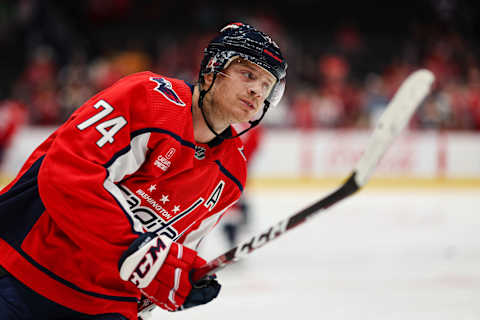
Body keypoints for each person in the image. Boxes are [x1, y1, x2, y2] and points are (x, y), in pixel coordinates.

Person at [0, 22, 287, 320]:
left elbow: (171, 253)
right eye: (248, 74)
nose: (257, 90)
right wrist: (143, 255)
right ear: (214, 68)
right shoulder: (147, 99)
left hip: (109, 307)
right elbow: (64, 174)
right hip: (25, 272)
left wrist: (176, 282)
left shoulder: (231, 173)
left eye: (267, 84)